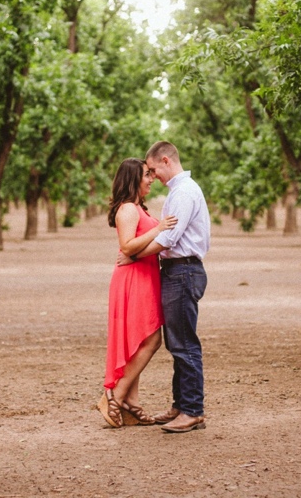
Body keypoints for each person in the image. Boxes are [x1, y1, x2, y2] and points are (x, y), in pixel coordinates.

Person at [119, 141, 210, 433]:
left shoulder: (184, 192)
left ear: (167, 160)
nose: (153, 175)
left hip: (183, 271)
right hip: (176, 271)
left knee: (184, 344)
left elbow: (169, 240)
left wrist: (133, 255)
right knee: (177, 342)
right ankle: (181, 405)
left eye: (154, 169)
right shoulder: (178, 192)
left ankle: (193, 410)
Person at [98, 158, 177, 428]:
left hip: (143, 276)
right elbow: (127, 246)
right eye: (146, 174)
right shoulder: (128, 210)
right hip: (133, 280)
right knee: (151, 339)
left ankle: (132, 402)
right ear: (132, 178)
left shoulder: (137, 208)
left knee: (138, 342)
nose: (151, 178)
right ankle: (115, 395)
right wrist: (159, 228)